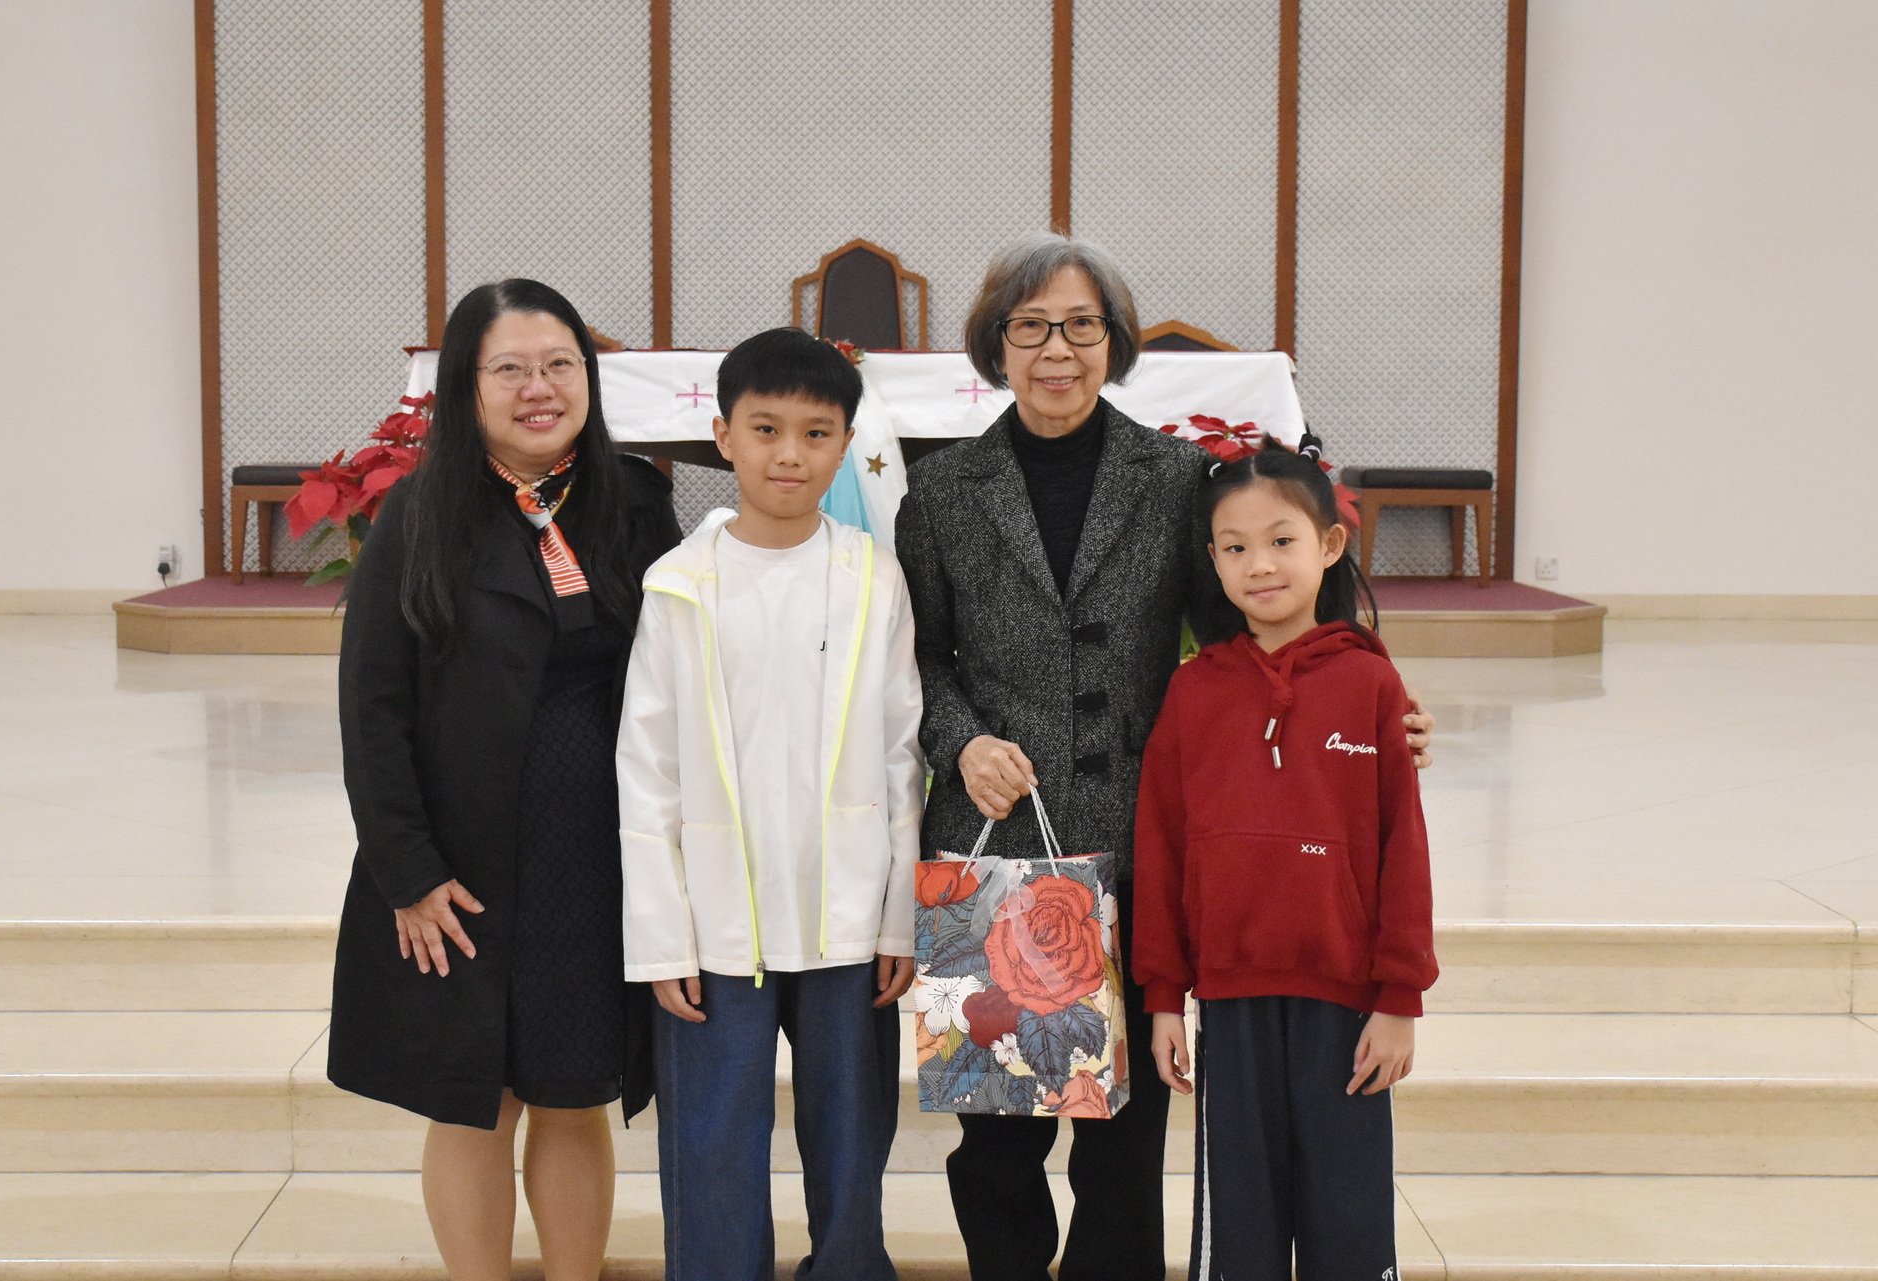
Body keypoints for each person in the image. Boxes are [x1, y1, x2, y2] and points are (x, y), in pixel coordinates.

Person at [895, 233, 1435, 1281]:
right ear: (996, 344)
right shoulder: (945, 489)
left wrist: (1365, 704)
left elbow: (1252, 633)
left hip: (1142, 837)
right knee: (997, 1131)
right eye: (1031, 326)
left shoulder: (1176, 476)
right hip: (995, 844)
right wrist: (961, 743)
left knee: (1123, 1141)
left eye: (1081, 325)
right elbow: (916, 655)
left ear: (1116, 341)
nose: (1058, 349)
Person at [327, 279, 681, 1281]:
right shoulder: (418, 514)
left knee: (573, 1091)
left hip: (594, 858)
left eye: (560, 364)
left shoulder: (634, 500)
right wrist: (406, 870)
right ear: (466, 387)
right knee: (474, 1100)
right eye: (511, 368)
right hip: (462, 866)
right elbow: (372, 708)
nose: (540, 387)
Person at [616, 327, 926, 1281]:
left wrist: (899, 916)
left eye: (816, 433)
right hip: (716, 923)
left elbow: (902, 750)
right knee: (710, 1138)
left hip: (845, 916)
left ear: (846, 445)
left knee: (852, 1137)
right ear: (723, 436)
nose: (790, 453)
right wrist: (662, 936)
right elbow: (647, 768)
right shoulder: (678, 584)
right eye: (765, 429)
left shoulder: (872, 575)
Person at [1135, 435, 1438, 1281]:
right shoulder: (1193, 690)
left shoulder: (1372, 685)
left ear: (1329, 544)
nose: (1259, 564)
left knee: (1348, 1219)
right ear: (1212, 561)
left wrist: (1400, 997)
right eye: (1235, 547)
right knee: (1241, 1226)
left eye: (1280, 540)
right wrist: (1164, 996)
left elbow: (1403, 848)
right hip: (1229, 1003)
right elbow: (1161, 845)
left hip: (1346, 1006)